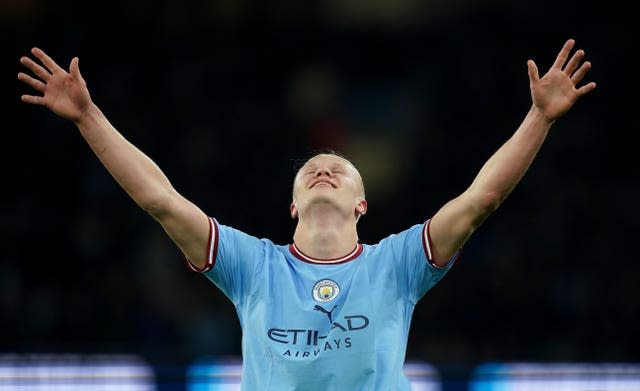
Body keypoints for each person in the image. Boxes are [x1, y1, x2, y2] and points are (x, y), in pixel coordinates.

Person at [17, 38, 596, 390]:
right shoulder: (252, 266)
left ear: (362, 204)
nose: (325, 170)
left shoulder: (396, 264)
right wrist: (89, 116)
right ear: (292, 204)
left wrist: (539, 119)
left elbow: (480, 200)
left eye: (340, 169)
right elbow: (160, 200)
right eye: (312, 168)